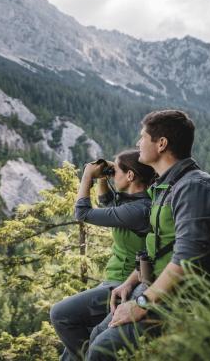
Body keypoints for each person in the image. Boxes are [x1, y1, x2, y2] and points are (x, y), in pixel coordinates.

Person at [85, 110, 210, 361]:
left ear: (161, 144)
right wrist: (132, 281)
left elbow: (189, 260)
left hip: (186, 300)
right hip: (155, 290)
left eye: (142, 137)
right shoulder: (165, 188)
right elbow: (159, 247)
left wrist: (141, 303)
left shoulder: (193, 187)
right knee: (96, 336)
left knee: (101, 350)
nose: (137, 143)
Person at [50, 149, 156, 360]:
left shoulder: (139, 209)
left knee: (61, 315)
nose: (112, 174)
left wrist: (87, 176)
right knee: (68, 354)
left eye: (116, 171)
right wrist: (105, 177)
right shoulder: (134, 202)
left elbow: (82, 213)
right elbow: (109, 203)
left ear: (131, 176)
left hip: (124, 283)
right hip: (113, 281)